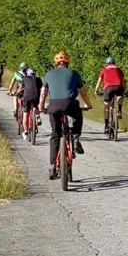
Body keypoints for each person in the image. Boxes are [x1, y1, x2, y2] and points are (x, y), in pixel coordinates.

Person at [38, 51, 93, 180]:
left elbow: (43, 93)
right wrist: (88, 105)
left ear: (55, 64)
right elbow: (82, 92)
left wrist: (41, 107)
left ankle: (53, 166)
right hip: (70, 104)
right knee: (77, 114)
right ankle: (75, 137)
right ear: (67, 63)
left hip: (54, 106)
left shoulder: (48, 74)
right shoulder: (74, 73)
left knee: (55, 134)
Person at [94, 56, 126, 134]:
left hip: (108, 88)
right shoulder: (118, 69)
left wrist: (96, 91)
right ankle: (119, 110)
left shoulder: (104, 70)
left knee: (106, 107)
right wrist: (124, 90)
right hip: (118, 86)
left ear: (106, 64)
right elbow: (123, 81)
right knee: (119, 96)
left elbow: (99, 82)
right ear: (114, 63)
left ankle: (106, 126)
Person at [20, 67, 43, 139]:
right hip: (36, 97)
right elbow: (42, 88)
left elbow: (21, 87)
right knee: (35, 107)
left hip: (27, 97)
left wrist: (17, 93)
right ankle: (37, 116)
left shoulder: (25, 78)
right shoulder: (38, 79)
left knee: (26, 114)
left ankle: (26, 131)